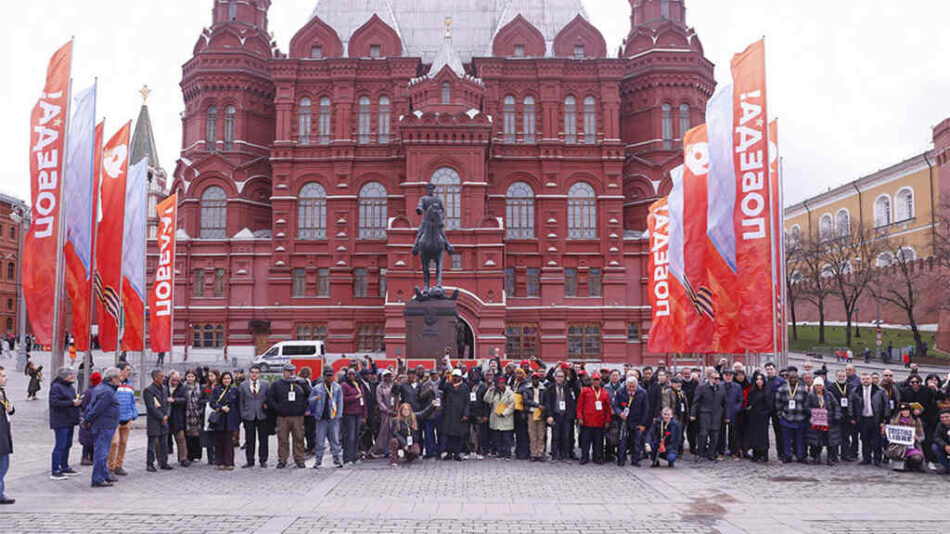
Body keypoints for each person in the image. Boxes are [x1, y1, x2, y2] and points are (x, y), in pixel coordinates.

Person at [268, 364, 312, 468]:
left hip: (298, 416)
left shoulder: (301, 383)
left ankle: (299, 459)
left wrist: (304, 408)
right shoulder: (277, 384)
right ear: (283, 372)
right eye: (288, 371)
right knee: (283, 439)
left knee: (299, 438)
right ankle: (282, 459)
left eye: (292, 371)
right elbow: (270, 398)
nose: (291, 373)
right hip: (282, 417)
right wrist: (278, 408)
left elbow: (310, 395)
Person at [85, 367, 121, 488]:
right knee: (102, 452)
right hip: (104, 425)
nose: (120, 380)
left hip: (105, 424)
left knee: (103, 451)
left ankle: (104, 474)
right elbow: (98, 408)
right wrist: (87, 419)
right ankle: (98, 478)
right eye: (118, 377)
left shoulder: (102, 388)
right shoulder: (107, 392)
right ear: (112, 378)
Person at [48, 367, 82, 480]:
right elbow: (55, 403)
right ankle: (55, 469)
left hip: (70, 419)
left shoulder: (70, 386)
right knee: (60, 445)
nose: (73, 377)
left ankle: (64, 466)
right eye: (70, 375)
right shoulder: (56, 387)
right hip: (60, 420)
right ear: (64, 377)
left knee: (68, 444)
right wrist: (72, 403)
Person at [850, 372, 889, 466]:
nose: (866, 380)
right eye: (863, 379)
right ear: (860, 380)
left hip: (876, 418)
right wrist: (852, 417)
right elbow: (851, 405)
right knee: (864, 439)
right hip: (862, 418)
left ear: (871, 379)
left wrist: (885, 418)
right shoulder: (855, 391)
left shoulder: (880, 390)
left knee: (877, 440)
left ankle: (877, 459)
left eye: (867, 378)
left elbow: (886, 405)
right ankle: (866, 458)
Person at [107, 362, 137, 477]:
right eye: (127, 370)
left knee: (123, 443)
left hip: (127, 418)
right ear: (120, 371)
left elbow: (133, 401)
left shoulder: (129, 386)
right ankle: (111, 467)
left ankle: (119, 465)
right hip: (115, 419)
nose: (129, 372)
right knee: (114, 443)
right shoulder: (114, 385)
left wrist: (133, 414)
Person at [310, 368, 343, 468]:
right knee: (320, 440)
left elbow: (340, 402)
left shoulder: (337, 388)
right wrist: (316, 398)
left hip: (333, 417)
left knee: (335, 439)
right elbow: (310, 400)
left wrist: (339, 414)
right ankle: (318, 460)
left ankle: (336, 459)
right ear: (323, 376)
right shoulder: (317, 388)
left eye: (330, 376)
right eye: (327, 376)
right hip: (321, 417)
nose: (329, 378)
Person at [237, 365, 269, 468]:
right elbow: (241, 401)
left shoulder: (265, 384)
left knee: (263, 439)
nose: (254, 374)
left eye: (256, 372)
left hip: (262, 416)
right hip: (249, 416)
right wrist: (243, 414)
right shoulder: (243, 385)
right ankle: (250, 460)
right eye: (252, 372)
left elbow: (268, 399)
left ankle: (263, 460)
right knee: (250, 440)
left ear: (259, 374)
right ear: (249, 373)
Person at [804, 377, 841, 465]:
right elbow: (806, 407)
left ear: (823, 386)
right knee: (817, 440)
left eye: (820, 385)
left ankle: (830, 458)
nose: (818, 387)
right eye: (816, 385)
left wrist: (837, 416)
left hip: (829, 421)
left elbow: (836, 406)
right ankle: (817, 457)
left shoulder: (829, 395)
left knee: (829, 441)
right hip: (817, 422)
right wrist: (814, 412)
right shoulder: (810, 395)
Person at [576, 372, 611, 465]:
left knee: (598, 441)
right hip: (587, 421)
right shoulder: (585, 391)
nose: (596, 382)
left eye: (597, 380)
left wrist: (607, 420)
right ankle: (584, 457)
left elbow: (608, 408)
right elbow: (579, 406)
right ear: (591, 381)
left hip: (599, 422)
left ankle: (597, 457)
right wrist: (580, 417)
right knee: (585, 441)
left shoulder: (604, 393)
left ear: (600, 381)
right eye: (594, 380)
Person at [614, 376, 649, 467]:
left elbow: (646, 409)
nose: (631, 389)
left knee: (636, 441)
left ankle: (635, 460)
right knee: (622, 441)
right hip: (624, 420)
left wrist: (642, 424)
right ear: (626, 385)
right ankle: (621, 459)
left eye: (633, 387)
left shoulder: (643, 393)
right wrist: (620, 413)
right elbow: (615, 405)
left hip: (637, 420)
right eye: (629, 387)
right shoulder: (620, 391)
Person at [690, 371, 726, 462]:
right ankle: (700, 453)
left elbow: (725, 403)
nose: (717, 380)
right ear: (710, 378)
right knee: (703, 434)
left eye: (718, 378)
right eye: (715, 378)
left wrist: (726, 416)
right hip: (705, 414)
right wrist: (693, 414)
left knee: (715, 435)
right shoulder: (702, 387)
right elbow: (696, 401)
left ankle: (711, 454)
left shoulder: (721, 388)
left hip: (717, 414)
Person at [775, 369, 809, 463]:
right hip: (786, 418)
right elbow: (778, 403)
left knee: (800, 439)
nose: (793, 379)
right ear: (788, 378)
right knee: (786, 439)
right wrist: (780, 415)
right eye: (791, 378)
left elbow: (807, 403)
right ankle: (787, 455)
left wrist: (805, 415)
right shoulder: (782, 389)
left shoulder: (803, 389)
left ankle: (800, 456)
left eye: (795, 378)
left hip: (800, 418)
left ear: (798, 378)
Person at [142, 369, 172, 472]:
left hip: (164, 419)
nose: (164, 378)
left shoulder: (164, 388)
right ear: (156, 378)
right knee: (152, 443)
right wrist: (161, 417)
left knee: (164, 442)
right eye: (162, 376)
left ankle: (163, 461)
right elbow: (150, 407)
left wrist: (167, 415)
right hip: (154, 420)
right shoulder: (148, 390)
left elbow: (168, 403)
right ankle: (150, 463)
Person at [390, 401, 435, 468]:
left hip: (411, 440)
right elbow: (395, 433)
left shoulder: (414, 417)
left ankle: (409, 456)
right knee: (394, 441)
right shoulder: (396, 420)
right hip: (401, 440)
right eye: (404, 410)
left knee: (416, 451)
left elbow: (424, 413)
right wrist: (404, 443)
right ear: (401, 411)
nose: (406, 411)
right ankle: (393, 460)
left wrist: (432, 405)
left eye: (408, 410)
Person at [208, 371, 239, 470]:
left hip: (231, 418)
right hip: (220, 418)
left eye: (228, 378)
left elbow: (238, 404)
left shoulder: (235, 390)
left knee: (229, 441)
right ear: (221, 379)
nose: (227, 380)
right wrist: (221, 407)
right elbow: (212, 403)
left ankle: (229, 462)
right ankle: (220, 461)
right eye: (225, 378)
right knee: (219, 440)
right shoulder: (217, 390)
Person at [439, 368, 471, 461]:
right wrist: (444, 377)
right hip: (449, 414)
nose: (455, 378)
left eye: (457, 376)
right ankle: (449, 453)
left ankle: (457, 453)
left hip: (460, 414)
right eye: (454, 376)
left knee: (458, 435)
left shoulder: (465, 387)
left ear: (460, 377)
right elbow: (440, 387)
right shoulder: (448, 385)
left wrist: (466, 414)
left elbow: (467, 402)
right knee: (448, 435)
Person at [886, 403, 926, 472]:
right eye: (903, 410)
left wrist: (917, 438)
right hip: (898, 447)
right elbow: (888, 436)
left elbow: (922, 436)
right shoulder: (893, 421)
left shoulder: (916, 421)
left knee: (917, 458)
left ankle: (911, 464)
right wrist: (885, 432)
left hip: (912, 446)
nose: (905, 412)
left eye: (907, 410)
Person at [485, 375, 515, 459]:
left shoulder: (510, 392)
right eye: (499, 383)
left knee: (507, 438)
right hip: (496, 418)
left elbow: (512, 404)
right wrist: (490, 391)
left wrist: (504, 413)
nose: (501, 385)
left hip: (506, 418)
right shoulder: (495, 392)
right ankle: (500, 452)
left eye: (502, 383)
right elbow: (487, 400)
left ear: (505, 384)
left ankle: (507, 453)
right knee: (498, 438)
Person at [745, 372, 772, 462]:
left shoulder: (767, 391)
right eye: (757, 379)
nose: (759, 381)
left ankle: (764, 454)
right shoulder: (753, 391)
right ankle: (756, 453)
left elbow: (769, 406)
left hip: (763, 417)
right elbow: (749, 403)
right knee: (754, 436)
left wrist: (764, 413)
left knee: (763, 436)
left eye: (761, 379)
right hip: (753, 416)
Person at [166, 371, 190, 467]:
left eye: (177, 380)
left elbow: (185, 399)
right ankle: (162, 459)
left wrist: (175, 400)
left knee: (181, 438)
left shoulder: (183, 387)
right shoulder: (164, 386)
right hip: (165, 416)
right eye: (173, 380)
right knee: (162, 440)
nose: (175, 382)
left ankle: (183, 458)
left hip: (177, 416)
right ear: (169, 378)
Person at [520, 372, 546, 462]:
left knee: (541, 434)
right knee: (532, 434)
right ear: (531, 379)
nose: (535, 380)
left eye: (537, 378)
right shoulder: (527, 388)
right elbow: (526, 400)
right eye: (534, 378)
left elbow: (546, 400)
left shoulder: (543, 388)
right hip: (531, 412)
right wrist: (537, 405)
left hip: (541, 413)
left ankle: (540, 453)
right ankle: (533, 453)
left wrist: (542, 407)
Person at [371, 369, 396, 458]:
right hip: (385, 413)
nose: (387, 378)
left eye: (389, 375)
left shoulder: (393, 385)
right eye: (385, 376)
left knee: (394, 431)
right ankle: (384, 450)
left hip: (395, 412)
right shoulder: (379, 387)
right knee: (385, 432)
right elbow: (379, 401)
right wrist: (387, 410)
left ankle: (393, 450)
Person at [78, 372, 102, 466]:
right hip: (90, 418)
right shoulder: (96, 392)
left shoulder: (87, 392)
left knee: (88, 440)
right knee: (90, 440)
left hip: (86, 417)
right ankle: (86, 457)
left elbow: (82, 404)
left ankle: (89, 457)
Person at [183, 369, 205, 464]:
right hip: (187, 414)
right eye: (189, 376)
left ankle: (197, 455)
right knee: (188, 436)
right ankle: (189, 455)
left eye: (192, 376)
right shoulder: (182, 387)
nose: (190, 378)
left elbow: (204, 398)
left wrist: (200, 409)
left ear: (195, 377)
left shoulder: (200, 387)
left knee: (197, 435)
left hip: (197, 414)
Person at [721, 370, 743, 458]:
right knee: (721, 433)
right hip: (721, 413)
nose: (728, 377)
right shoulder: (719, 386)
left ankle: (733, 451)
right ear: (723, 376)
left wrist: (736, 409)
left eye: (730, 375)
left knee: (734, 433)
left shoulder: (737, 386)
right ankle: (721, 451)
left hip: (734, 413)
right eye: (726, 375)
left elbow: (740, 400)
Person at [0, 366, 13, 503]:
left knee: (4, 465)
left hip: (4, 432)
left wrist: (10, 409)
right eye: (2, 376)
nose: (6, 378)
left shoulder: (2, 392)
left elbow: (7, 409)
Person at [931, 408, 950, 474]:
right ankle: (947, 466)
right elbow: (936, 437)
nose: (944, 419)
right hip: (946, 446)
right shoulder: (940, 425)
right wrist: (945, 446)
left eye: (947, 417)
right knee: (935, 447)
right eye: (942, 417)